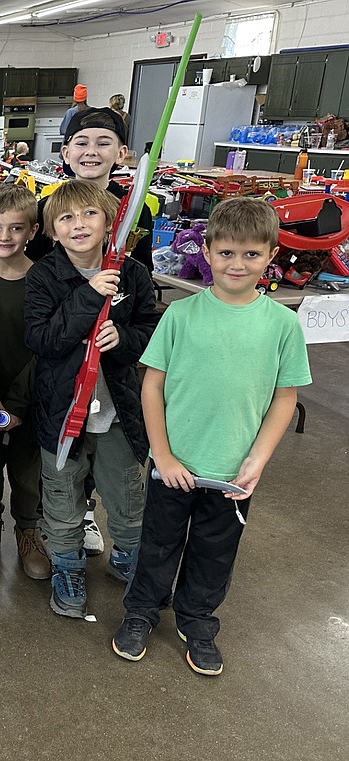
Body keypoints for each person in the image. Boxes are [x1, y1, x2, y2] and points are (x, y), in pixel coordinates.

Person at [111, 198, 311, 676]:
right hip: (173, 465)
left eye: (250, 255)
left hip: (233, 472)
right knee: (157, 544)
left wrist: (258, 459)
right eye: (225, 253)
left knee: (215, 551)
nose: (236, 264)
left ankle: (197, 619)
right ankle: (140, 611)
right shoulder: (180, 315)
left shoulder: (282, 324)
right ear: (206, 251)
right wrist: (162, 454)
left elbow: (285, 397)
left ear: (270, 256)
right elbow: (152, 384)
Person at [24, 180, 157, 620]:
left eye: (89, 215)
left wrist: (125, 339)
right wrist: (88, 294)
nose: (78, 225)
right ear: (52, 231)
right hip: (62, 416)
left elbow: (151, 331)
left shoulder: (134, 274)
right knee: (63, 496)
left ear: (109, 222)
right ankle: (67, 565)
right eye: (66, 219)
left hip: (117, 414)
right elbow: (42, 340)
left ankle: (128, 556)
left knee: (126, 494)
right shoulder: (44, 275)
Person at [0, 183, 49, 581]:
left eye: (15, 228)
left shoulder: (44, 282)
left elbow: (46, 349)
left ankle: (28, 529)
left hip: (30, 396)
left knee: (26, 467)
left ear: (33, 232)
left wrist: (15, 405)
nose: (4, 237)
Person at [27, 107, 154, 272]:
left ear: (121, 153)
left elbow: (143, 272)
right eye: (81, 143)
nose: (91, 152)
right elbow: (35, 268)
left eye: (103, 144)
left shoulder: (135, 209)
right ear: (66, 153)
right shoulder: (47, 208)